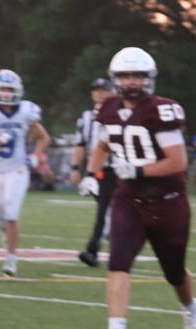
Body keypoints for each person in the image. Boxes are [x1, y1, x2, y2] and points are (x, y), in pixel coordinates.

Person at [80, 46, 196, 329]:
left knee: (174, 272)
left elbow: (177, 162)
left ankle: (190, 308)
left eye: (138, 75)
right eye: (126, 75)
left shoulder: (162, 110)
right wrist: (92, 174)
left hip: (169, 202)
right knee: (118, 262)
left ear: (149, 79)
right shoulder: (107, 109)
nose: (132, 81)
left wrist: (136, 169)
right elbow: (103, 145)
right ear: (115, 79)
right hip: (129, 200)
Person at [0, 69, 50, 277]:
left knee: (11, 213)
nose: (6, 93)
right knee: (0, 214)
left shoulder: (26, 111)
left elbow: (43, 138)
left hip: (17, 169)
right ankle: (5, 232)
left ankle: (11, 260)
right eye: (2, 89)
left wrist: (36, 156)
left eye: (9, 89)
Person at [70, 77, 115, 267]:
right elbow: (81, 144)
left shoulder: (120, 112)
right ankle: (107, 250)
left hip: (119, 168)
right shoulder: (86, 117)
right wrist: (74, 168)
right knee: (108, 211)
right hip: (97, 170)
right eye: (95, 90)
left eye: (103, 89)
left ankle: (93, 250)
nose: (98, 93)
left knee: (108, 211)